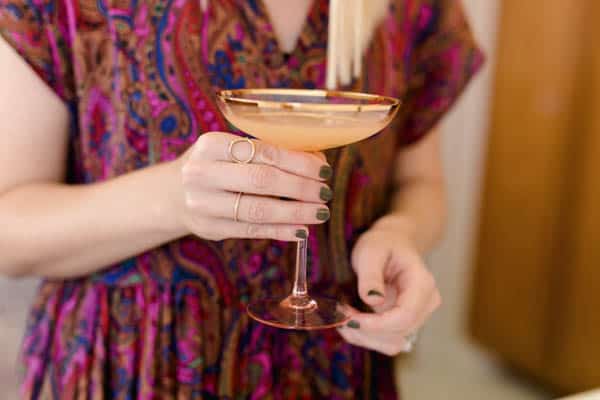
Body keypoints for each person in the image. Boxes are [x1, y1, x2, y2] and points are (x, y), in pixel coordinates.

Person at [0, 0, 483, 398]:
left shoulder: (416, 8)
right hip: (138, 363)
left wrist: (400, 233)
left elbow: (421, 182)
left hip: (336, 359)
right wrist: (169, 201)